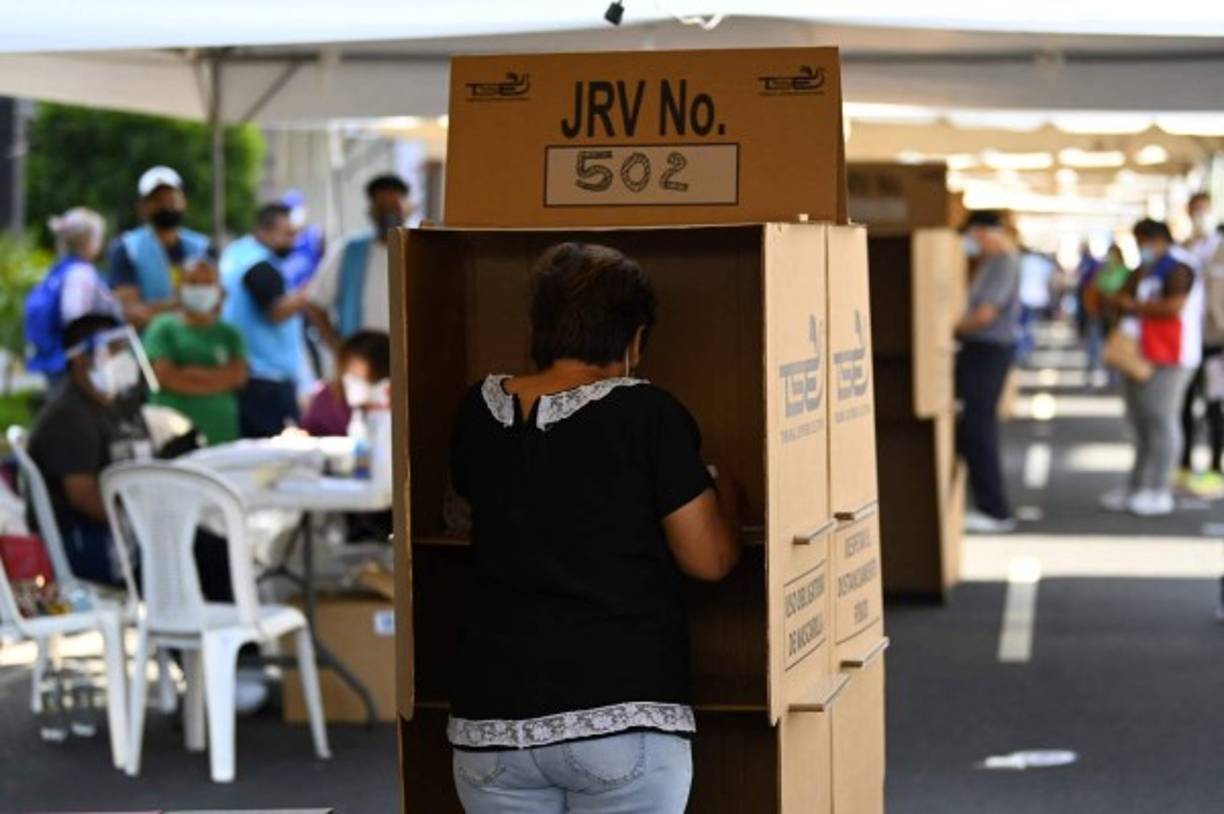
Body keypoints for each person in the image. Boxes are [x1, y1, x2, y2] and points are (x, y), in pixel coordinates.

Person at [446, 243, 740, 812]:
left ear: (537, 328)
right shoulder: (647, 414)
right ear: (634, 339)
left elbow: (461, 516)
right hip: (619, 711)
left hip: (489, 723)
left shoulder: (475, 410)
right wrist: (728, 492)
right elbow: (709, 560)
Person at [1100, 219, 1203, 517]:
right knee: (1141, 422)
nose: (1140, 248)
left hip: (1172, 355)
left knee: (1161, 420)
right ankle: (1137, 486)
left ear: (1156, 239)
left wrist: (1134, 306)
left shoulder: (1179, 266)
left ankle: (1158, 490)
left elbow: (1174, 306)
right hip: (1143, 352)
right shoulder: (1148, 267)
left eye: (1142, 241)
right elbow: (1120, 294)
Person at [956, 210, 1022, 533]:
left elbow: (984, 314)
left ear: (984, 232)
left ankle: (994, 510)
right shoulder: (991, 261)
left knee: (979, 427)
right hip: (982, 349)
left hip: (987, 350)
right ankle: (987, 505)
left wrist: (950, 330)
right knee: (974, 427)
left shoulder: (1003, 263)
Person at [220, 202, 310, 438]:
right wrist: (313, 292)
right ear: (264, 230)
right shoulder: (258, 264)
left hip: (249, 374)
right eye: (287, 234)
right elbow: (276, 311)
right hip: (266, 380)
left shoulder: (236, 253)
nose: (292, 241)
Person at [142, 254, 249, 446]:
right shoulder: (162, 328)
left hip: (221, 435)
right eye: (193, 283)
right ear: (179, 288)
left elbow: (237, 377)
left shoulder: (230, 334)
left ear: (218, 289)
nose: (200, 290)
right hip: (172, 439)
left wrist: (188, 373)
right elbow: (164, 376)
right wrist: (216, 379)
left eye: (207, 283)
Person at [307, 174, 410, 346]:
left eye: (394, 207)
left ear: (407, 208)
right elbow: (315, 303)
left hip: (409, 356)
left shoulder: (419, 251)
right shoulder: (349, 251)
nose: (388, 214)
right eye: (382, 208)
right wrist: (338, 348)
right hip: (361, 356)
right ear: (371, 211)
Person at [24, 207, 122, 380]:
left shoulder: (59, 270)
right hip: (73, 364)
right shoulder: (80, 274)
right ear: (88, 241)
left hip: (57, 359)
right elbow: (75, 320)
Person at [108, 166, 210, 330]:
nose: (167, 205)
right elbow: (131, 314)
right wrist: (183, 305)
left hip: (195, 342)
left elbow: (214, 307)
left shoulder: (201, 247)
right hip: (147, 343)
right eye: (157, 200)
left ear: (184, 201)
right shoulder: (127, 248)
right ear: (142, 207)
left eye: (172, 198)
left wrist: (156, 310)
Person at [1178, 193, 1224, 496]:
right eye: (1195, 210)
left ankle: (1215, 467)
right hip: (1186, 341)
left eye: (1204, 210)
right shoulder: (1185, 249)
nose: (1200, 216)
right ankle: (1183, 464)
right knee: (1183, 404)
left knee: (1214, 406)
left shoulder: (1220, 250)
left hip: (1215, 341)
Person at [301, 330, 390, 437]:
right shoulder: (329, 398)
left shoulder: (396, 410)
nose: (349, 379)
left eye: (357, 376)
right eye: (347, 370)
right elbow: (307, 431)